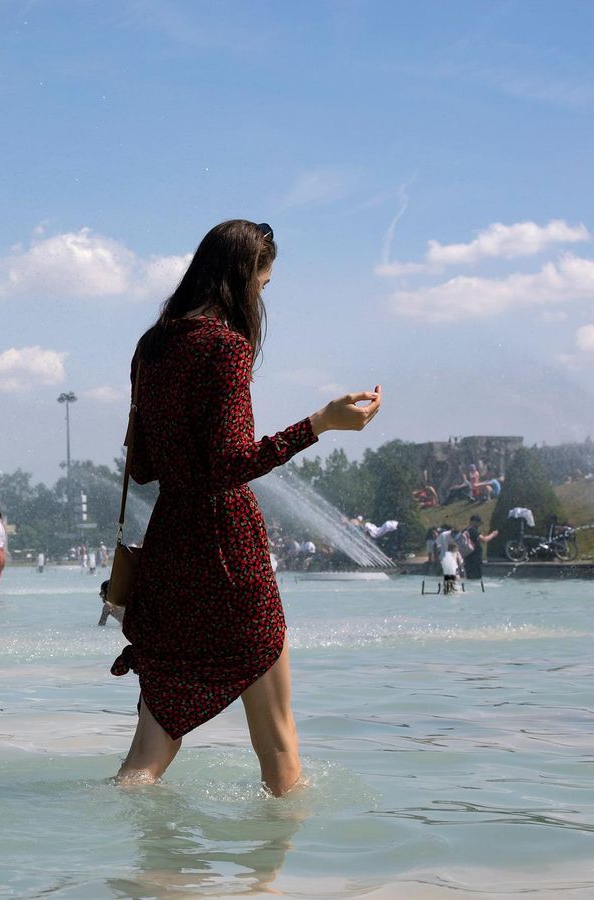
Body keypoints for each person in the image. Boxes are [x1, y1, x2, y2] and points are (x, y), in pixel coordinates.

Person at [110, 219, 381, 797]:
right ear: (242, 278)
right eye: (264, 281)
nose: (263, 295)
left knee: (147, 748)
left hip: (169, 551)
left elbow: (144, 467)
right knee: (278, 740)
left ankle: (141, 873)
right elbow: (230, 465)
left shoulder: (151, 346)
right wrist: (320, 423)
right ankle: (269, 886)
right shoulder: (225, 347)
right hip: (228, 551)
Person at [461, 515, 498, 582]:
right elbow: (484, 539)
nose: (479, 525)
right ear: (473, 521)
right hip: (475, 557)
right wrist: (493, 535)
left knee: (470, 577)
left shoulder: (465, 530)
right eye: (479, 523)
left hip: (467, 557)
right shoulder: (472, 530)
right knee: (476, 578)